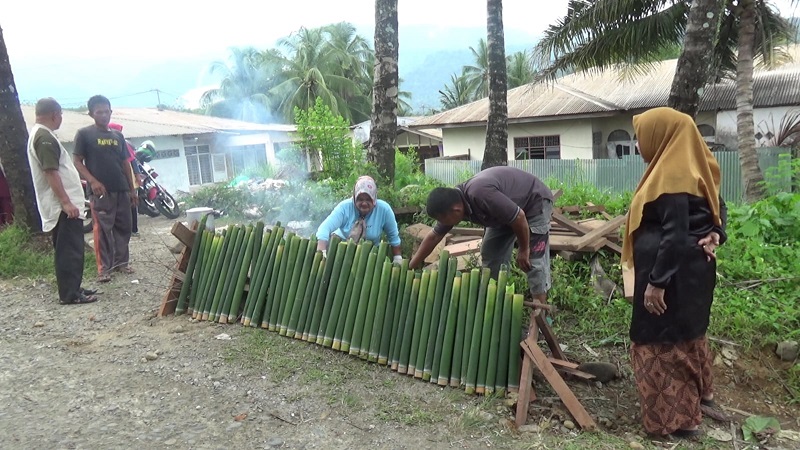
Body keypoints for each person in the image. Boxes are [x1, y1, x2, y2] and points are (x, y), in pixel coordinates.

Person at [622, 107, 728, 439]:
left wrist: (656, 283)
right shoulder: (700, 167)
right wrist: (717, 233)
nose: (639, 145)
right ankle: (700, 399)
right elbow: (717, 208)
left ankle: (679, 421)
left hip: (671, 274)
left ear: (661, 135)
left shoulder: (671, 174)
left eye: (641, 138)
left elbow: (675, 232)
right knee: (687, 335)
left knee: (658, 344)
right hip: (695, 272)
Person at [409, 166, 554, 304]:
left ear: (456, 210)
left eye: (441, 219)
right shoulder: (454, 203)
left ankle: (540, 312)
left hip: (534, 202)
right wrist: (411, 266)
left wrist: (523, 249)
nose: (441, 223)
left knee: (534, 262)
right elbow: (434, 236)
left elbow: (519, 217)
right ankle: (496, 302)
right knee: (490, 253)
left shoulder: (480, 193)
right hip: (505, 213)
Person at [26, 98, 98, 304]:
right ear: (54, 114)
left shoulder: (43, 135)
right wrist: (66, 202)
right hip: (62, 207)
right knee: (69, 251)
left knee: (70, 248)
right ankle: (69, 294)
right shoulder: (44, 138)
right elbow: (50, 172)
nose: (61, 119)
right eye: (60, 115)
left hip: (63, 205)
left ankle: (74, 286)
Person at [73, 95, 137, 282]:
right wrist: (92, 181)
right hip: (101, 191)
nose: (103, 115)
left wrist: (132, 189)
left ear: (111, 111)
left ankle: (121, 263)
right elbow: (77, 161)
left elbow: (126, 163)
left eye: (106, 111)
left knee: (124, 227)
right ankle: (104, 269)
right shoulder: (84, 134)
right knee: (102, 229)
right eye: (99, 112)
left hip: (122, 189)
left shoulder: (118, 136)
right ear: (91, 113)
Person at [316, 176, 402, 263]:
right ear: (354, 198)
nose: (364, 203)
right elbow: (324, 228)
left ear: (374, 199)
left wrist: (397, 258)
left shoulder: (384, 210)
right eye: (360, 199)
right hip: (340, 254)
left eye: (368, 199)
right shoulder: (344, 207)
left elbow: (394, 237)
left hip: (370, 257)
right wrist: (322, 252)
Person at [108, 122, 141, 236]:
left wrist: (137, 174)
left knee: (131, 202)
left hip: (127, 176)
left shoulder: (123, 143)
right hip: (117, 178)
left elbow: (131, 160)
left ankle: (134, 229)